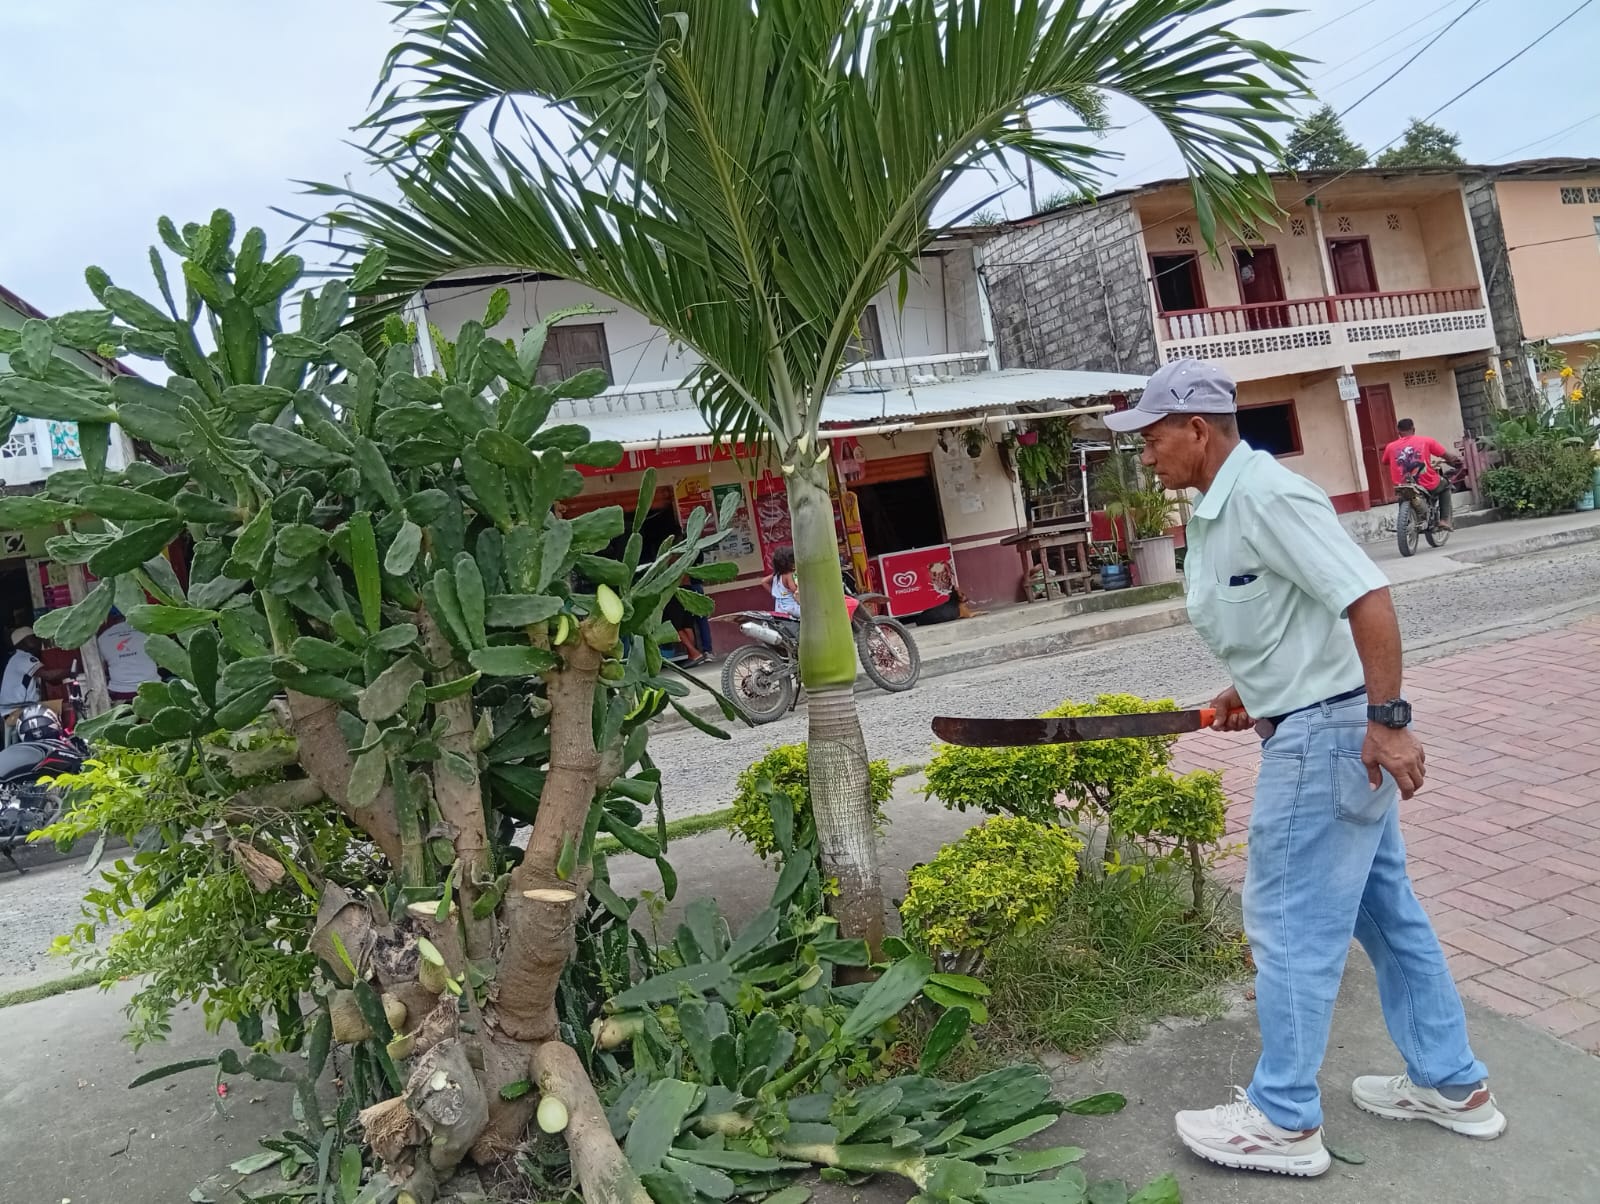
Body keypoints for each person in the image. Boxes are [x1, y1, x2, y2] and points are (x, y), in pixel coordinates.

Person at [1105, 360, 1501, 1180]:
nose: (1144, 454)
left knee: (1288, 925)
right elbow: (1292, 615)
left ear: (1197, 430)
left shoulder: (1266, 496)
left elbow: (1366, 597)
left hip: (1328, 739)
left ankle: (1284, 1118)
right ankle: (1452, 1084)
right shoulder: (1220, 509)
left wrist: (1390, 723)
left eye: (1151, 437)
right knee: (1386, 915)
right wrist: (1253, 689)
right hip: (1318, 722)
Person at [1380, 418, 1463, 530]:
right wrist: (1456, 461)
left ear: (1398, 432)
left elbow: (1385, 461)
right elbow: (1447, 456)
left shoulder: (1390, 447)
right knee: (1446, 485)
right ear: (1413, 429)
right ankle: (1445, 520)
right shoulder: (1427, 441)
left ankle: (1405, 524)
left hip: (1402, 484)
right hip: (1426, 482)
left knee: (1403, 495)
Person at [1, 627, 70, 723]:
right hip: (16, 712)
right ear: (23, 642)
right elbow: (48, 676)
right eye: (33, 638)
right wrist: (72, 670)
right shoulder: (23, 658)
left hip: (17, 710)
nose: (38, 641)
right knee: (68, 708)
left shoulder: (18, 658)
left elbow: (51, 680)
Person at [97, 609, 162, 702]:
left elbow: (100, 667)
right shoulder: (146, 630)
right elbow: (160, 656)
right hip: (152, 686)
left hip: (120, 691)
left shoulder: (103, 637)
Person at [770, 546, 800, 618]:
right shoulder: (789, 575)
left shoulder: (776, 575)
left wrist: (776, 594)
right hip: (791, 608)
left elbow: (764, 581)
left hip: (779, 608)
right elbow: (794, 590)